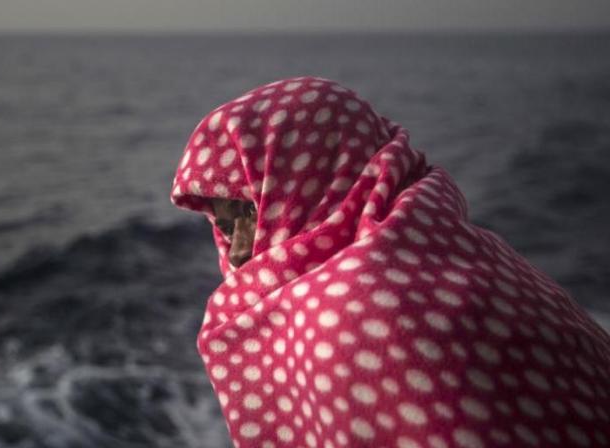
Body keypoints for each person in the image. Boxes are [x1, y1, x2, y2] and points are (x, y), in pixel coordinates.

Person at [169, 76, 610, 448]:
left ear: (322, 182)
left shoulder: (357, 312)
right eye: (226, 228)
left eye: (255, 211)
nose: (241, 249)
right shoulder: (473, 253)